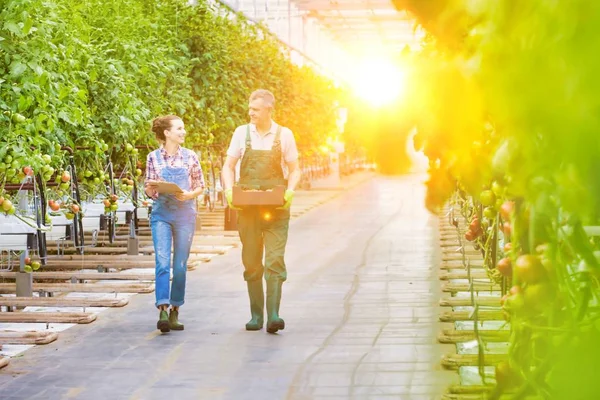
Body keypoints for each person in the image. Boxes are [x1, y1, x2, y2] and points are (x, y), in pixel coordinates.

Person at [222, 89, 301, 334]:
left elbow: (295, 168)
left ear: (268, 109)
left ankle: (274, 315)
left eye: (255, 109)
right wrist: (228, 191)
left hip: (276, 208)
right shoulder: (241, 133)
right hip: (248, 209)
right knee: (252, 262)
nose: (250, 113)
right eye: (250, 109)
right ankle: (256, 315)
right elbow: (228, 166)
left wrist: (290, 190)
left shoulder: (284, 135)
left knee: (275, 260)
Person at [144, 115, 205, 333]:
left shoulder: (190, 157)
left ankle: (175, 310)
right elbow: (148, 187)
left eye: (183, 128)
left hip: (184, 214)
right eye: (179, 128)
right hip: (161, 213)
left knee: (180, 265)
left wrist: (188, 195)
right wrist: (151, 190)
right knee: (162, 262)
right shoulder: (153, 157)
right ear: (167, 133)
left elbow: (200, 185)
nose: (183, 132)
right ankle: (162, 308)